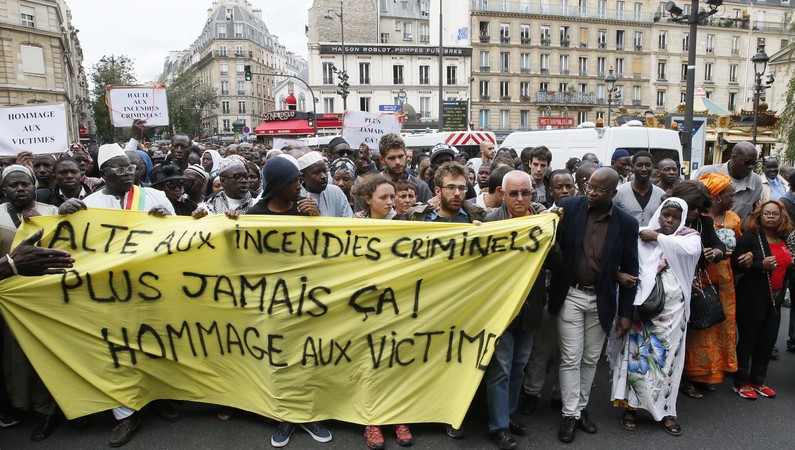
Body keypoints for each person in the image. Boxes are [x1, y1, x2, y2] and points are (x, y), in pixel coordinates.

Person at [57, 143, 177, 447]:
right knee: (117, 351)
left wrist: (166, 219)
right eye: (119, 168)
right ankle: (126, 415)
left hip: (153, 287)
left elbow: (180, 236)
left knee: (157, 344)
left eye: (131, 167)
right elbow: (73, 242)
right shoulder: (89, 203)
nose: (128, 172)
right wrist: (63, 214)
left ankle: (160, 397)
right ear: (103, 172)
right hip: (111, 294)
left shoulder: (155, 197)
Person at [548, 167, 639, 444]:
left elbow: (630, 271)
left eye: (599, 189)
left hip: (601, 299)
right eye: (589, 186)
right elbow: (556, 249)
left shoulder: (626, 223)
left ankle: (579, 409)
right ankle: (569, 414)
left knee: (589, 359)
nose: (591, 192)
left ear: (613, 192)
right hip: (571, 295)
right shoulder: (569, 207)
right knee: (571, 357)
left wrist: (625, 313)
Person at [609, 198, 701, 436]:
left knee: (667, 363)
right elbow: (623, 260)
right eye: (665, 215)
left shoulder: (689, 237)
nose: (669, 221)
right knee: (635, 360)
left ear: (683, 219)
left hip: (672, 314)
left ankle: (664, 411)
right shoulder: (642, 236)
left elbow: (689, 250)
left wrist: (658, 237)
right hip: (643, 311)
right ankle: (631, 408)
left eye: (675, 217)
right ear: (658, 215)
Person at [483, 170, 560, 450]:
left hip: (530, 307)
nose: (519, 198)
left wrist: (548, 233)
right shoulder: (490, 221)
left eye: (525, 193)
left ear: (533, 193)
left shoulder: (542, 222)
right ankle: (499, 426)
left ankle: (509, 413)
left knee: (519, 365)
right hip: (500, 309)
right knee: (501, 368)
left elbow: (556, 260)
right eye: (513, 193)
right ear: (502, 194)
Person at [0, 165, 61, 441]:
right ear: (5, 190)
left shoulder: (51, 212)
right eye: (13, 185)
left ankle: (53, 410)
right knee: (19, 358)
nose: (20, 189)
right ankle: (32, 408)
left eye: (25, 183)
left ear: (35, 185)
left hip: (48, 299)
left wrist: (46, 224)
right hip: (11, 302)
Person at [680, 173, 739, 397]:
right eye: (692, 207)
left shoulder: (703, 222)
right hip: (673, 287)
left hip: (700, 284)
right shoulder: (669, 216)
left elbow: (719, 246)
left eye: (699, 207)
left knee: (699, 329)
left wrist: (715, 251)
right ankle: (680, 380)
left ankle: (697, 377)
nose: (694, 212)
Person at [731, 201, 793, 400]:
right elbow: (735, 265)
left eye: (775, 213)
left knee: (767, 341)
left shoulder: (784, 238)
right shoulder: (751, 238)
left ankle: (758, 381)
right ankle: (740, 382)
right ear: (759, 215)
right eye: (767, 213)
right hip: (752, 297)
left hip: (775, 298)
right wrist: (760, 265)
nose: (771, 217)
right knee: (748, 340)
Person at [696, 142, 762, 221]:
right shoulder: (707, 172)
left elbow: (751, 214)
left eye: (754, 163)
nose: (751, 167)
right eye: (747, 162)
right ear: (733, 157)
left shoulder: (756, 183)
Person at [406, 162, 484, 223]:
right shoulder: (419, 217)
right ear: (438, 191)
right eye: (451, 187)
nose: (457, 193)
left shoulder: (477, 216)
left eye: (462, 188)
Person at [613, 151, 665, 227]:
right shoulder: (619, 192)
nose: (644, 169)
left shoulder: (661, 194)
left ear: (652, 167)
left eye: (647, 165)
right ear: (632, 167)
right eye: (639, 165)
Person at [379, 134, 433, 202]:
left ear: (405, 155)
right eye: (392, 158)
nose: (397, 162)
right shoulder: (373, 186)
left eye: (400, 156)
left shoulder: (421, 187)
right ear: (382, 159)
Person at [297, 152, 352, 218]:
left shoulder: (335, 192)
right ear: (303, 176)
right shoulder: (298, 197)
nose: (324, 176)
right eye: (317, 172)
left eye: (325, 171)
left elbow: (349, 221)